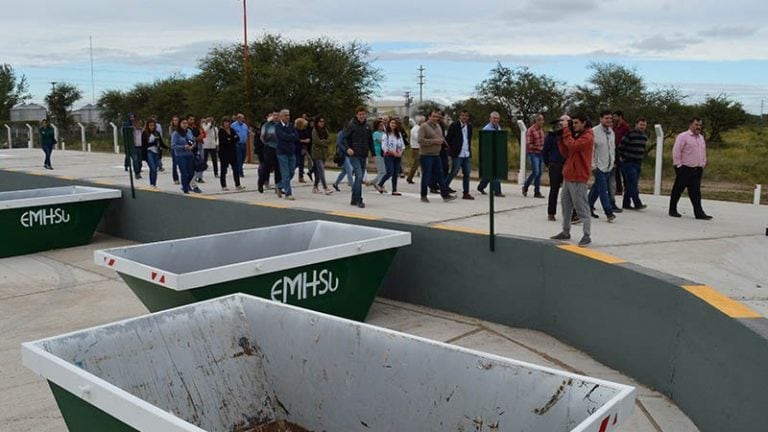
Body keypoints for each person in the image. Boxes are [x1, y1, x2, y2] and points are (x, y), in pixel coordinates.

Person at [551, 113, 595, 247]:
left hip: (578, 177)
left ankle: (587, 235)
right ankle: (565, 231)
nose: (573, 125)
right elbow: (567, 152)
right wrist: (560, 139)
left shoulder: (587, 137)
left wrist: (565, 131)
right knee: (566, 205)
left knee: (581, 207)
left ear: (584, 123)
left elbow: (575, 146)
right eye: (572, 123)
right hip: (569, 176)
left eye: (576, 123)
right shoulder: (576, 135)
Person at [669, 117, 712, 220]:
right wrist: (678, 166)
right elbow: (676, 151)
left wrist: (702, 164)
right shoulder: (683, 136)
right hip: (685, 168)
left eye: (700, 125)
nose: (698, 127)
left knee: (696, 192)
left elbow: (702, 152)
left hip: (697, 170)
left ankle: (699, 213)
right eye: (696, 124)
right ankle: (672, 209)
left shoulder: (701, 138)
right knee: (678, 190)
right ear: (691, 125)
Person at [418, 110, 457, 203]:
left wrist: (444, 142)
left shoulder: (438, 126)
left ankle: (445, 195)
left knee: (440, 175)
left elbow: (440, 137)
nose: (436, 118)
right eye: (434, 116)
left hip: (436, 154)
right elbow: (420, 140)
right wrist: (434, 141)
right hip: (426, 155)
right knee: (426, 175)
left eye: (437, 117)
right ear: (429, 116)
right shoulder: (424, 127)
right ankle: (423, 195)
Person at [341, 106, 374, 208]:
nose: (362, 116)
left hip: (364, 154)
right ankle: (359, 199)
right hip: (354, 154)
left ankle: (353, 199)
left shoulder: (367, 127)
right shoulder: (351, 125)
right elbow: (344, 139)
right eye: (360, 114)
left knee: (358, 179)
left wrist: (373, 153)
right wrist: (348, 148)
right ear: (356, 115)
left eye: (363, 114)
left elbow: (370, 141)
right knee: (359, 176)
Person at [588, 110, 617, 222]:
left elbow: (612, 149)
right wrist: (593, 166)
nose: (609, 120)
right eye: (606, 118)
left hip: (608, 166)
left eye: (610, 118)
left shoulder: (611, 132)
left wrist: (613, 162)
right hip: (598, 167)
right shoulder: (593, 132)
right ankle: (609, 212)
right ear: (600, 119)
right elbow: (591, 150)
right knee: (603, 190)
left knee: (596, 189)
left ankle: (587, 206)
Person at [618, 118, 648, 210]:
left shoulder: (644, 136)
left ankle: (626, 203)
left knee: (630, 184)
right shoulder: (629, 134)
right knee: (633, 183)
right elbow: (621, 147)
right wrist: (622, 158)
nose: (642, 127)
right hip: (628, 162)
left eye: (644, 125)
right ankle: (637, 203)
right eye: (640, 124)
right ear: (636, 124)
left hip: (638, 163)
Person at [445, 109, 474, 200]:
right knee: (454, 171)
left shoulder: (469, 126)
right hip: (457, 153)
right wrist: (451, 150)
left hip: (466, 153)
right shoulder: (454, 126)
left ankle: (466, 192)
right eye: (462, 115)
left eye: (466, 116)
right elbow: (448, 138)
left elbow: (468, 139)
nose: (464, 117)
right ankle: (444, 187)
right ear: (459, 116)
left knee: (467, 173)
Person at [542, 118, 566, 221]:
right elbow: (544, 152)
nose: (559, 127)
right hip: (554, 165)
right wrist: (548, 163)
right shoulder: (550, 137)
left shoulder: (566, 136)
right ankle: (551, 212)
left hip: (566, 165)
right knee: (554, 189)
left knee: (568, 191)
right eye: (557, 125)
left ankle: (571, 213)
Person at [477, 112, 505, 197]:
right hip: (489, 154)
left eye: (497, 118)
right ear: (490, 119)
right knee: (494, 173)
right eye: (494, 118)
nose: (496, 120)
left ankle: (481, 187)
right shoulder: (487, 129)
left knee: (490, 173)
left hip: (496, 153)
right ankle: (497, 191)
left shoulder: (498, 128)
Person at [377, 118, 405, 196]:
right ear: (389, 124)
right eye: (392, 123)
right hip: (389, 156)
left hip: (398, 156)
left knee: (395, 173)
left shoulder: (398, 134)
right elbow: (384, 147)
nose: (394, 125)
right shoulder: (385, 134)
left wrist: (400, 152)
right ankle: (380, 184)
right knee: (390, 172)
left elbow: (402, 145)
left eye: (395, 123)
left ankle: (394, 190)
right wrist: (392, 152)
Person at [275, 109, 299, 200]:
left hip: (291, 151)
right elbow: (282, 136)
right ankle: (288, 193)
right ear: (281, 117)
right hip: (282, 152)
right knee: (285, 173)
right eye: (285, 115)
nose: (287, 117)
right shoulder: (278, 126)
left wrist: (290, 136)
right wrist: (290, 136)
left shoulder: (291, 125)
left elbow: (296, 136)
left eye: (288, 115)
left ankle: (279, 185)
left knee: (291, 171)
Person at [171, 118, 199, 194]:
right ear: (180, 124)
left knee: (191, 173)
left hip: (190, 154)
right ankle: (185, 188)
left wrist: (193, 145)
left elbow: (193, 141)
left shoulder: (189, 131)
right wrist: (183, 147)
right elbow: (173, 146)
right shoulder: (176, 133)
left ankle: (186, 184)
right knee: (184, 173)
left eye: (186, 123)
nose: (185, 125)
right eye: (183, 123)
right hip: (181, 155)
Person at [523, 113, 545, 198]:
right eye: (541, 120)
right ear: (537, 121)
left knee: (539, 173)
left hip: (541, 154)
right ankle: (525, 186)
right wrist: (538, 148)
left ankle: (537, 191)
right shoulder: (530, 130)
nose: (543, 121)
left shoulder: (541, 130)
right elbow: (529, 144)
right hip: (533, 153)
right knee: (535, 172)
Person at [258, 112, 281, 193]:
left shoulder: (281, 125)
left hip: (279, 148)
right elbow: (262, 137)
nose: (276, 117)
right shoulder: (267, 125)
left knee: (278, 169)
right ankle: (260, 183)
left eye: (277, 115)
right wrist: (268, 143)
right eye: (274, 115)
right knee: (266, 167)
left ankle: (278, 187)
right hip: (269, 148)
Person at [218, 116, 242, 191]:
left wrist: (230, 139)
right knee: (224, 169)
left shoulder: (232, 130)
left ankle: (238, 184)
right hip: (224, 153)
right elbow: (224, 141)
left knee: (236, 169)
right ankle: (223, 185)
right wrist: (232, 139)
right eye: (225, 122)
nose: (226, 124)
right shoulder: (221, 131)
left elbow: (237, 138)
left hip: (232, 152)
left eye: (228, 122)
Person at [311, 116, 333, 195]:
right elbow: (316, 141)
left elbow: (329, 139)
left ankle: (315, 186)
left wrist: (324, 141)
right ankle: (325, 188)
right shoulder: (314, 131)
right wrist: (324, 143)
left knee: (318, 172)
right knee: (321, 170)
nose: (322, 123)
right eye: (320, 121)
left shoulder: (325, 130)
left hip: (323, 153)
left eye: (323, 121)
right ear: (317, 122)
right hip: (316, 153)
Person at [141, 119, 166, 187]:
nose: (152, 127)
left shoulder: (157, 133)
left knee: (155, 169)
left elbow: (161, 142)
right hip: (149, 152)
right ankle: (152, 184)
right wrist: (153, 143)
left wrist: (167, 147)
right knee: (152, 167)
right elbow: (144, 145)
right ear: (148, 126)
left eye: (153, 125)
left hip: (156, 152)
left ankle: (154, 183)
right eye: (150, 125)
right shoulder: (145, 133)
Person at [612, 110, 631, 195]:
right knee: (616, 171)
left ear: (620, 117)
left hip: (623, 151)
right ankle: (618, 189)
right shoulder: (615, 126)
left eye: (615, 116)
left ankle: (627, 189)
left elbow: (628, 139)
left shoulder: (626, 127)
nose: (614, 118)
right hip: (615, 150)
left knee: (624, 171)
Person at [406, 115, 423, 184]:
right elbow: (418, 138)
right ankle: (409, 177)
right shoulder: (415, 129)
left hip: (419, 148)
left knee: (418, 163)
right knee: (416, 164)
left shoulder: (419, 128)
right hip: (416, 148)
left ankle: (410, 177)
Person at [295, 117, 312, 183]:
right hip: (297, 148)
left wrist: (306, 140)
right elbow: (296, 139)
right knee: (297, 162)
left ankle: (301, 176)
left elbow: (308, 138)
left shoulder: (304, 131)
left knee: (302, 163)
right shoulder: (296, 130)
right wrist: (304, 140)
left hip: (303, 148)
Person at [232, 113, 249, 177]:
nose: (243, 119)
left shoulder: (245, 125)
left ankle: (239, 168)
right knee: (239, 157)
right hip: (237, 143)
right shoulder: (233, 125)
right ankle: (240, 171)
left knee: (243, 157)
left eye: (243, 118)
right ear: (238, 119)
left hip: (244, 143)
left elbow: (247, 132)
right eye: (241, 118)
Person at [371, 119, 387, 189]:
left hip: (384, 153)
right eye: (380, 125)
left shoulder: (384, 133)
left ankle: (375, 182)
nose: (382, 127)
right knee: (382, 171)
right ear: (377, 126)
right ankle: (379, 184)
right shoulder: (376, 133)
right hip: (377, 153)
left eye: (383, 125)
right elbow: (382, 141)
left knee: (384, 171)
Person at [169, 115, 181, 184]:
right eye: (174, 120)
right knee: (175, 163)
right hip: (174, 147)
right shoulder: (171, 128)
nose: (175, 121)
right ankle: (175, 178)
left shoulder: (181, 127)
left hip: (181, 146)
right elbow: (173, 136)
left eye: (176, 120)